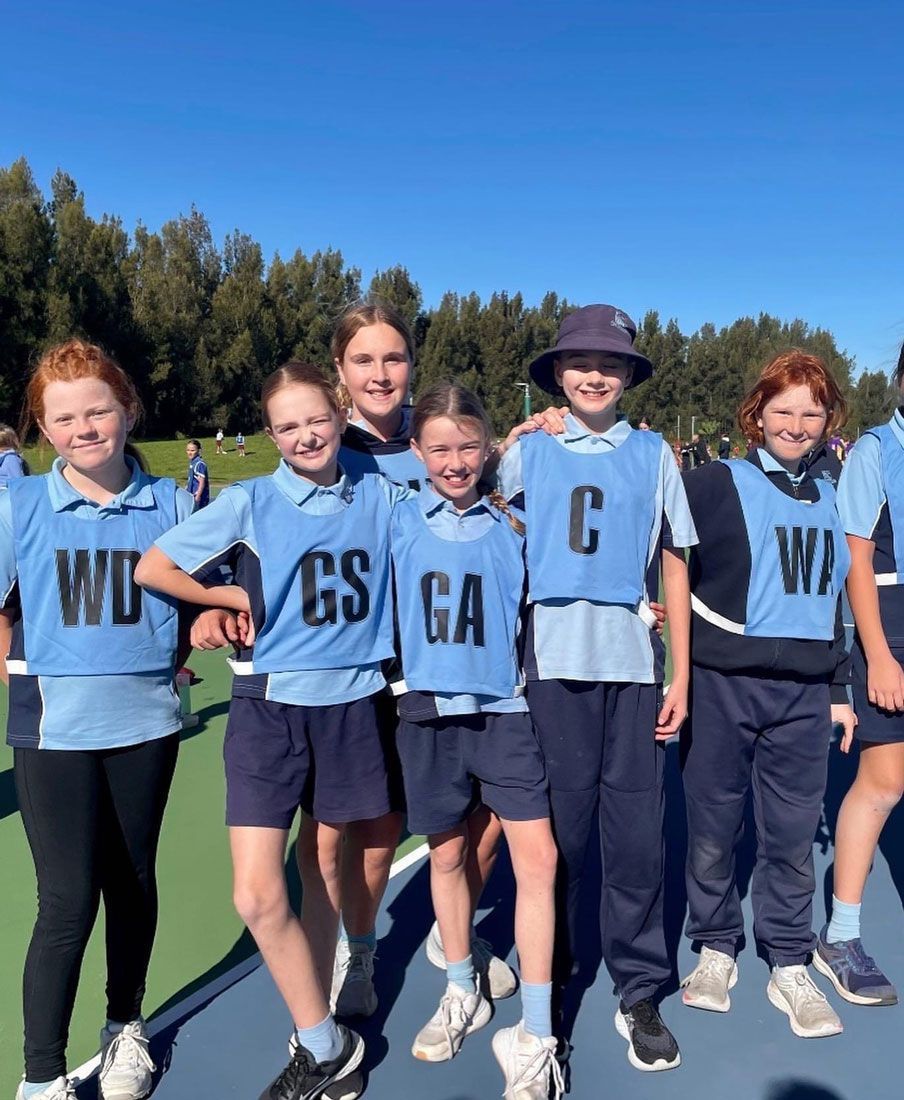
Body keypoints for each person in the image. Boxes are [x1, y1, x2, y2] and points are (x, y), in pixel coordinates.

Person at [135, 361, 410, 1100]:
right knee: (257, 894)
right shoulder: (252, 500)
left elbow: (458, 492)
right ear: (270, 434)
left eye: (316, 419)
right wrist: (222, 594)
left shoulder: (381, 496)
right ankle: (327, 1045)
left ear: (340, 412)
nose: (305, 434)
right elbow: (154, 567)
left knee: (322, 873)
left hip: (353, 706)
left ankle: (320, 1046)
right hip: (267, 709)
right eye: (286, 426)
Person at [495, 304, 696, 1073]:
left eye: (610, 364)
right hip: (551, 665)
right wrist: (514, 437)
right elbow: (490, 530)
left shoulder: (653, 455)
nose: (594, 374)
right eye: (579, 361)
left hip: (634, 667)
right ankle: (558, 972)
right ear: (556, 372)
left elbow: (675, 559)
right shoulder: (530, 452)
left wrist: (680, 664)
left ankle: (639, 988)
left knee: (638, 837)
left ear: (629, 376)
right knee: (562, 837)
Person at [2, 339, 192, 1100]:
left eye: (98, 410)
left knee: (133, 879)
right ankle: (41, 1074)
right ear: (44, 430)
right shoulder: (16, 505)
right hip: (55, 730)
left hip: (146, 722)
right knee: (67, 899)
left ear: (127, 409)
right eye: (64, 418)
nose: (84, 428)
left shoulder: (174, 504)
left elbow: (205, 596)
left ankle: (125, 1027)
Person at [392, 381, 562, 1097]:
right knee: (450, 852)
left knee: (539, 859)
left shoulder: (514, 522)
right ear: (416, 452)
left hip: (505, 710)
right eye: (440, 449)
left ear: (489, 447)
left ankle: (538, 1026)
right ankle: (461, 986)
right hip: (428, 714)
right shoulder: (397, 520)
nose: (455, 461)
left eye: (469, 446)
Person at [680, 350, 856, 1038]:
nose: (797, 421)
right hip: (723, 686)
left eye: (812, 410)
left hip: (806, 695)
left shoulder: (838, 491)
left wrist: (840, 686)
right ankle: (717, 946)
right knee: (713, 828)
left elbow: (839, 596)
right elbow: (652, 542)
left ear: (827, 419)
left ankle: (788, 960)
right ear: (756, 414)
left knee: (788, 836)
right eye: (783, 408)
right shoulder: (714, 482)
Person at [817, 343, 904, 1007]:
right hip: (893, 629)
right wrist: (876, 654)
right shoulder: (876, 450)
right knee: (883, 783)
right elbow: (856, 563)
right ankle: (841, 935)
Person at [185, 439, 209, 509]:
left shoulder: (199, 464)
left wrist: (198, 496)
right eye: (188, 450)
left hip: (198, 497)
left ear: (198, 450)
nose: (189, 452)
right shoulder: (193, 462)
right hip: (191, 495)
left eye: (192, 450)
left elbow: (202, 482)